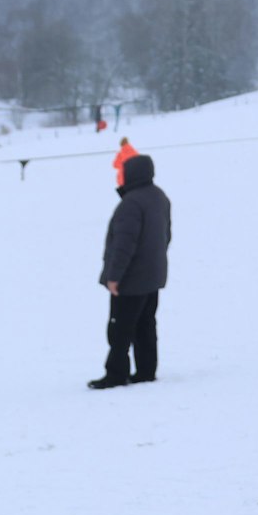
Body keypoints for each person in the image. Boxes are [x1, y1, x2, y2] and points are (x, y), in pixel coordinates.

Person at [91, 153, 171, 390]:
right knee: (146, 325)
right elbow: (166, 236)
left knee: (120, 329)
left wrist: (114, 277)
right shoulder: (159, 197)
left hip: (131, 279)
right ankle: (146, 371)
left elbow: (124, 245)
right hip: (153, 276)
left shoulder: (131, 204)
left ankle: (116, 374)